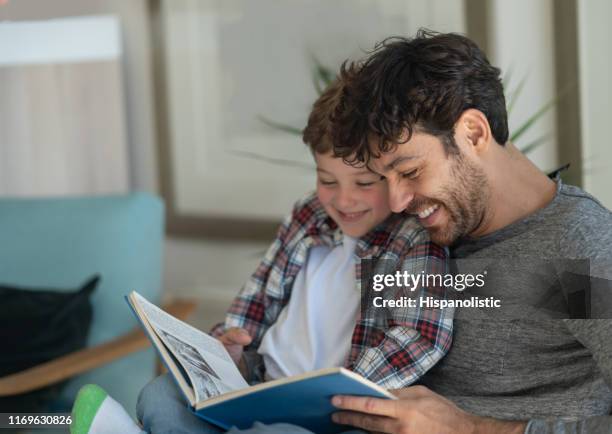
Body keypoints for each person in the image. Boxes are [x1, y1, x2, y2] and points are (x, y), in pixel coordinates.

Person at [70, 79, 454, 434]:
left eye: (364, 184)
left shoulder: (415, 236)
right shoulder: (308, 215)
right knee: (159, 396)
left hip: (330, 417)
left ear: (394, 175)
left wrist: (334, 392)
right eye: (327, 180)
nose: (343, 199)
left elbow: (420, 337)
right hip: (259, 386)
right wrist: (230, 352)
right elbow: (255, 304)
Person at [323, 30, 612, 434]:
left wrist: (470, 429)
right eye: (383, 178)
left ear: (473, 133)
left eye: (410, 172)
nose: (397, 202)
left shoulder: (580, 249)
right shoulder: (419, 234)